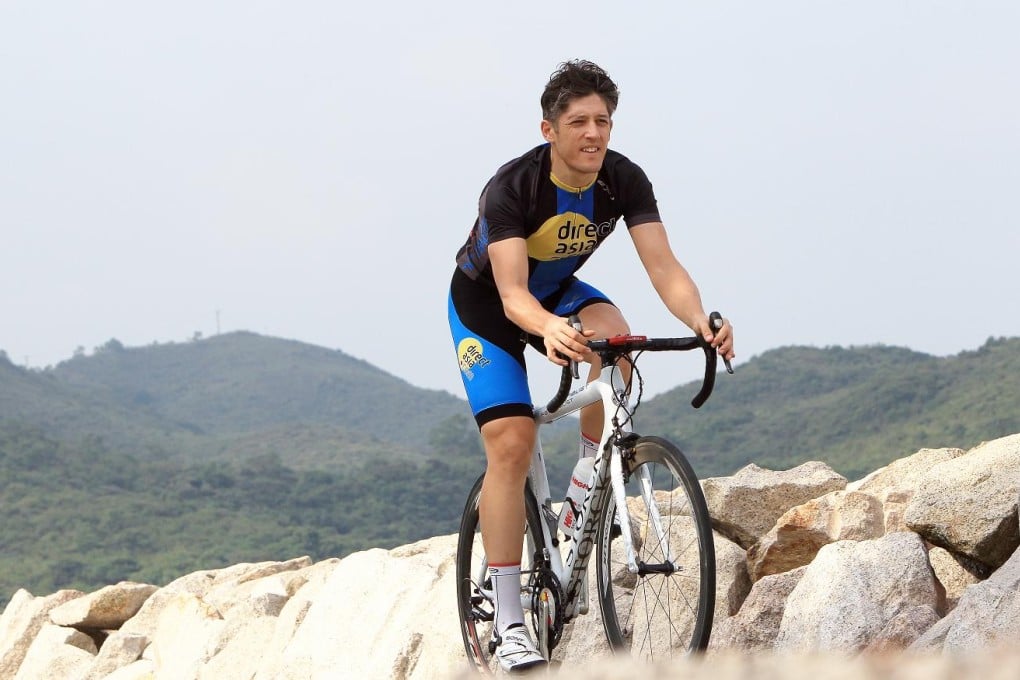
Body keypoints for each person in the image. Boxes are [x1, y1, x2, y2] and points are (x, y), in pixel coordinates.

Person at [447, 59, 735, 673]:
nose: (593, 133)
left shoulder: (623, 180)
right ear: (549, 129)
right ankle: (510, 622)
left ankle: (586, 486)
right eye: (578, 121)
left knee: (618, 341)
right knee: (512, 443)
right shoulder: (513, 187)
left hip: (557, 292)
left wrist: (701, 322)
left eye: (603, 120)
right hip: (490, 304)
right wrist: (547, 327)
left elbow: (663, 267)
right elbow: (511, 295)